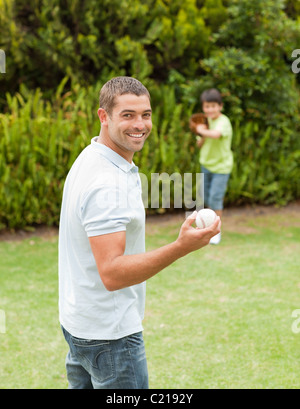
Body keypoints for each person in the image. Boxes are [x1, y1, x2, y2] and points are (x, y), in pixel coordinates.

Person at [58, 76, 221, 389]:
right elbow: (112, 273)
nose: (140, 124)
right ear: (103, 117)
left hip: (80, 324)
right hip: (110, 335)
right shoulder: (108, 183)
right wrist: (181, 246)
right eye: (128, 115)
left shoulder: (90, 156)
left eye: (145, 114)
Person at [193, 88, 233, 245]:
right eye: (206, 106)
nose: (209, 109)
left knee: (215, 199)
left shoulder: (224, 121)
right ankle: (208, 227)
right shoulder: (204, 122)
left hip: (221, 168)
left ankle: (216, 231)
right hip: (206, 165)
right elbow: (199, 144)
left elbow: (216, 135)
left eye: (213, 106)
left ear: (220, 106)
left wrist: (202, 130)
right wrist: (200, 133)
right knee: (207, 198)